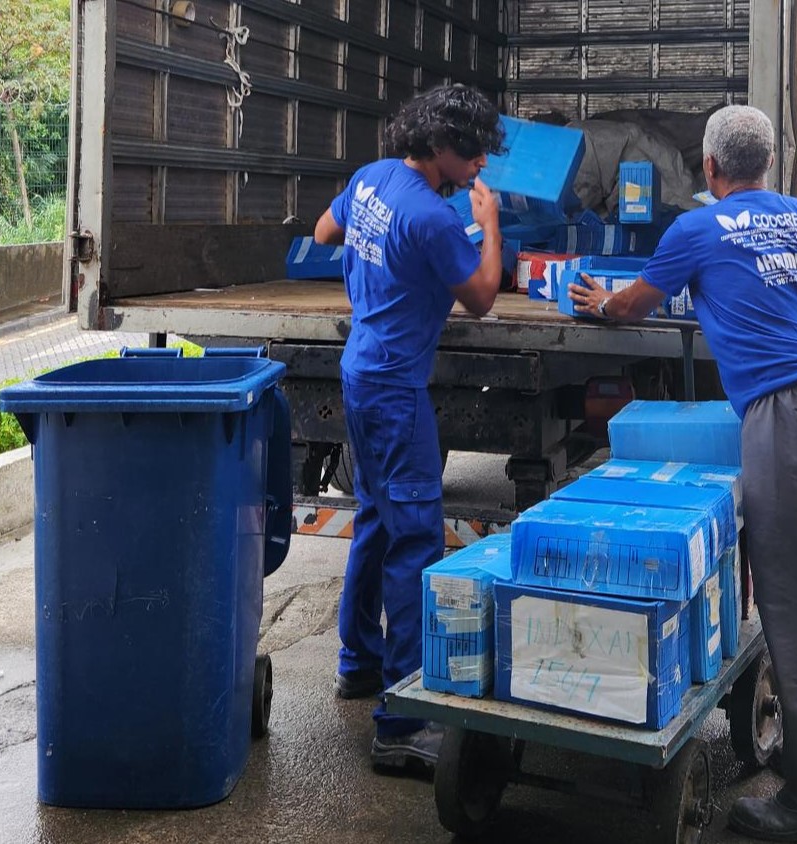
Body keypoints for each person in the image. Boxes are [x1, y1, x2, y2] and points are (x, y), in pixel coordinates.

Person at [568, 104, 797, 841]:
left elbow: (631, 305)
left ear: (710, 171)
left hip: (790, 416)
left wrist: (597, 300)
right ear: (768, 166)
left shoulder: (695, 229)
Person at [312, 84, 506, 772]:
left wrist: (387, 275)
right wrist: (492, 224)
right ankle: (400, 721)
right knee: (416, 539)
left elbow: (323, 233)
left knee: (373, 518)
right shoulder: (434, 218)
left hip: (360, 371)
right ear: (441, 146)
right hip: (396, 389)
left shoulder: (373, 178)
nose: (481, 166)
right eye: (473, 154)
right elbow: (482, 299)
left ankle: (356, 662)